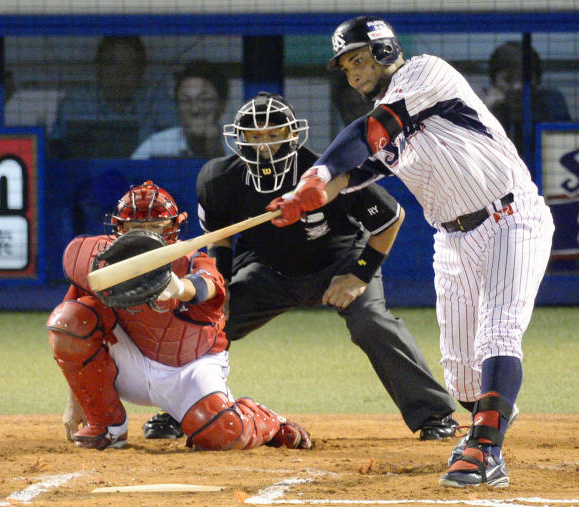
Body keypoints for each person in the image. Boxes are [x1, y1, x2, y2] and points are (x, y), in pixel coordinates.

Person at [269, 16, 555, 488]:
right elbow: (355, 173)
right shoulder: (389, 119)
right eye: (345, 67)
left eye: (359, 59)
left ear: (385, 51)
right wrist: (309, 198)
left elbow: (369, 132)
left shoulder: (424, 73)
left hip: (510, 219)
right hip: (453, 239)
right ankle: (493, 410)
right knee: (463, 377)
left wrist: (314, 176)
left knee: (497, 337)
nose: (354, 72)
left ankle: (485, 450)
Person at [142, 92, 458, 442]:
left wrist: (359, 276)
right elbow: (220, 240)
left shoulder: (326, 173)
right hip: (269, 270)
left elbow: (391, 219)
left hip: (340, 264)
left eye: (274, 135)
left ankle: (434, 414)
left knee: (372, 323)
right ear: (238, 138)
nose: (264, 145)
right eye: (254, 136)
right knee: (207, 322)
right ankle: (179, 410)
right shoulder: (218, 179)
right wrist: (222, 287)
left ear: (292, 135)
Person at [46, 179, 311, 452]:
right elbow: (70, 331)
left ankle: (266, 420)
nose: (145, 236)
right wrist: (76, 398)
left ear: (173, 229)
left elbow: (207, 286)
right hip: (129, 363)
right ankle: (107, 426)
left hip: (189, 368)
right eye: (135, 228)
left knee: (222, 432)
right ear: (119, 229)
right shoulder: (100, 262)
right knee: (69, 319)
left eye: (155, 228)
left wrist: (178, 287)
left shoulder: (193, 261)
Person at [50, 36, 176, 158]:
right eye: (113, 64)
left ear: (141, 72)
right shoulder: (77, 103)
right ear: (98, 69)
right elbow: (55, 149)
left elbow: (177, 143)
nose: (121, 73)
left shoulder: (156, 101)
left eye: (131, 64)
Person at [482, 40, 571, 156]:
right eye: (508, 79)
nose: (518, 86)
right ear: (493, 81)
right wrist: (486, 112)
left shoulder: (551, 102)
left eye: (526, 79)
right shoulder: (484, 107)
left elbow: (564, 146)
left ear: (537, 79)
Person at [131, 61, 232, 159]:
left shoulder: (242, 148)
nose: (195, 109)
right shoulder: (155, 146)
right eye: (185, 101)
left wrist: (217, 152)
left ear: (222, 104)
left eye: (204, 100)